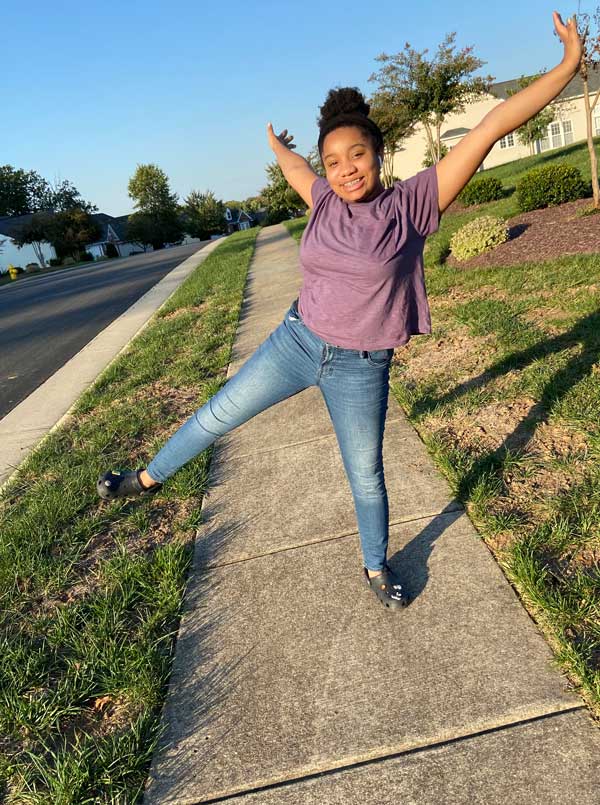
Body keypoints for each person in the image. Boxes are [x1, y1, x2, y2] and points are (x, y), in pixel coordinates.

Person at [98, 11, 582, 610]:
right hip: (296, 343)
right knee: (216, 415)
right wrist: (279, 146)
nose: (345, 168)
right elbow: (295, 168)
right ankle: (144, 480)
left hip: (361, 367)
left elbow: (489, 126)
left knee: (367, 477)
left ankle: (376, 567)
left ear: (378, 154)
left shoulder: (413, 204)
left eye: (357, 155)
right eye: (334, 160)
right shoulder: (323, 197)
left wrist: (566, 66)